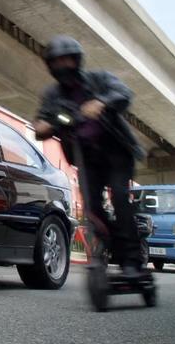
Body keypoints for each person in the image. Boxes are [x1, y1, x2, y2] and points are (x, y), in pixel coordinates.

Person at [32, 35, 146, 278]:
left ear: (77, 60)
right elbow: (41, 123)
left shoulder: (98, 80)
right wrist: (45, 125)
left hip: (117, 153)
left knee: (121, 201)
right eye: (58, 61)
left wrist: (102, 102)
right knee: (92, 209)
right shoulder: (53, 95)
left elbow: (123, 93)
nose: (64, 65)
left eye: (68, 60)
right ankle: (113, 248)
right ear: (51, 66)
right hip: (86, 158)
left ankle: (132, 262)